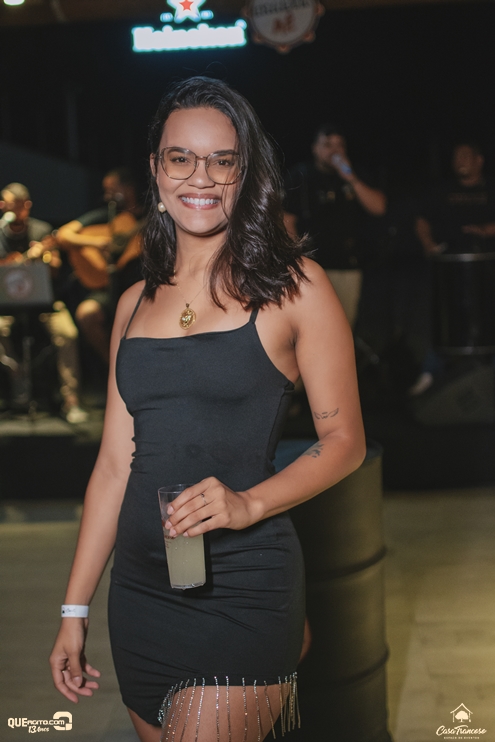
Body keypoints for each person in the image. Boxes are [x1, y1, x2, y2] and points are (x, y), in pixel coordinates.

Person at [49, 77, 366, 742]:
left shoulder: (294, 289)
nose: (201, 176)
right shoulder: (133, 303)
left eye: (223, 160)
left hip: (243, 591)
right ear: (155, 169)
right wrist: (75, 608)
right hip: (140, 598)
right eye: (181, 158)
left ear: (245, 174)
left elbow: (344, 442)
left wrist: (248, 503)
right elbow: (113, 467)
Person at [284, 124, 386, 328]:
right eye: (328, 145)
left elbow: (379, 208)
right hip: (311, 267)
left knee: (343, 326)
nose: (334, 150)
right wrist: (296, 261)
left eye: (340, 145)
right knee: (310, 326)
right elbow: (286, 219)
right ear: (315, 148)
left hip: (347, 266)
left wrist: (351, 178)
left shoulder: (354, 174)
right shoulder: (301, 175)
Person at [0, 183, 87, 422]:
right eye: (4, 204)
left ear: (26, 206)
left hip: (46, 303)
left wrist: (42, 261)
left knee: (67, 333)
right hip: (7, 306)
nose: (7, 208)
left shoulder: (41, 231)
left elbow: (56, 269)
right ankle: (18, 381)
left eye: (12, 204)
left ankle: (71, 400)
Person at [57, 168, 145, 365]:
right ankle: (113, 365)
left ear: (128, 188)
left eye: (112, 189)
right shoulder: (105, 216)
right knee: (86, 314)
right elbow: (63, 235)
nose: (107, 196)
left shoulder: (149, 214)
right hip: (108, 288)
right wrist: (97, 243)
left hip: (141, 286)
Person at [416, 141, 495, 256]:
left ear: (479, 160)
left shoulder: (491, 188)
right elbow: (422, 220)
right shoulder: (441, 190)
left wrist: (486, 230)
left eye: (464, 156)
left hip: (488, 255)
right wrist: (428, 244)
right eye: (456, 157)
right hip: (449, 256)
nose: (459, 161)